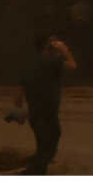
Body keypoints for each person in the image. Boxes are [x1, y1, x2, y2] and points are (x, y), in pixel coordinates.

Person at [17, 32, 77, 174]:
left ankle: (39, 162)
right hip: (46, 111)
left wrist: (18, 97)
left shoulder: (34, 61)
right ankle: (34, 170)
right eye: (53, 42)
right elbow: (73, 65)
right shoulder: (51, 60)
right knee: (49, 142)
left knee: (46, 139)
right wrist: (65, 50)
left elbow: (22, 82)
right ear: (47, 45)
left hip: (38, 111)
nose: (56, 43)